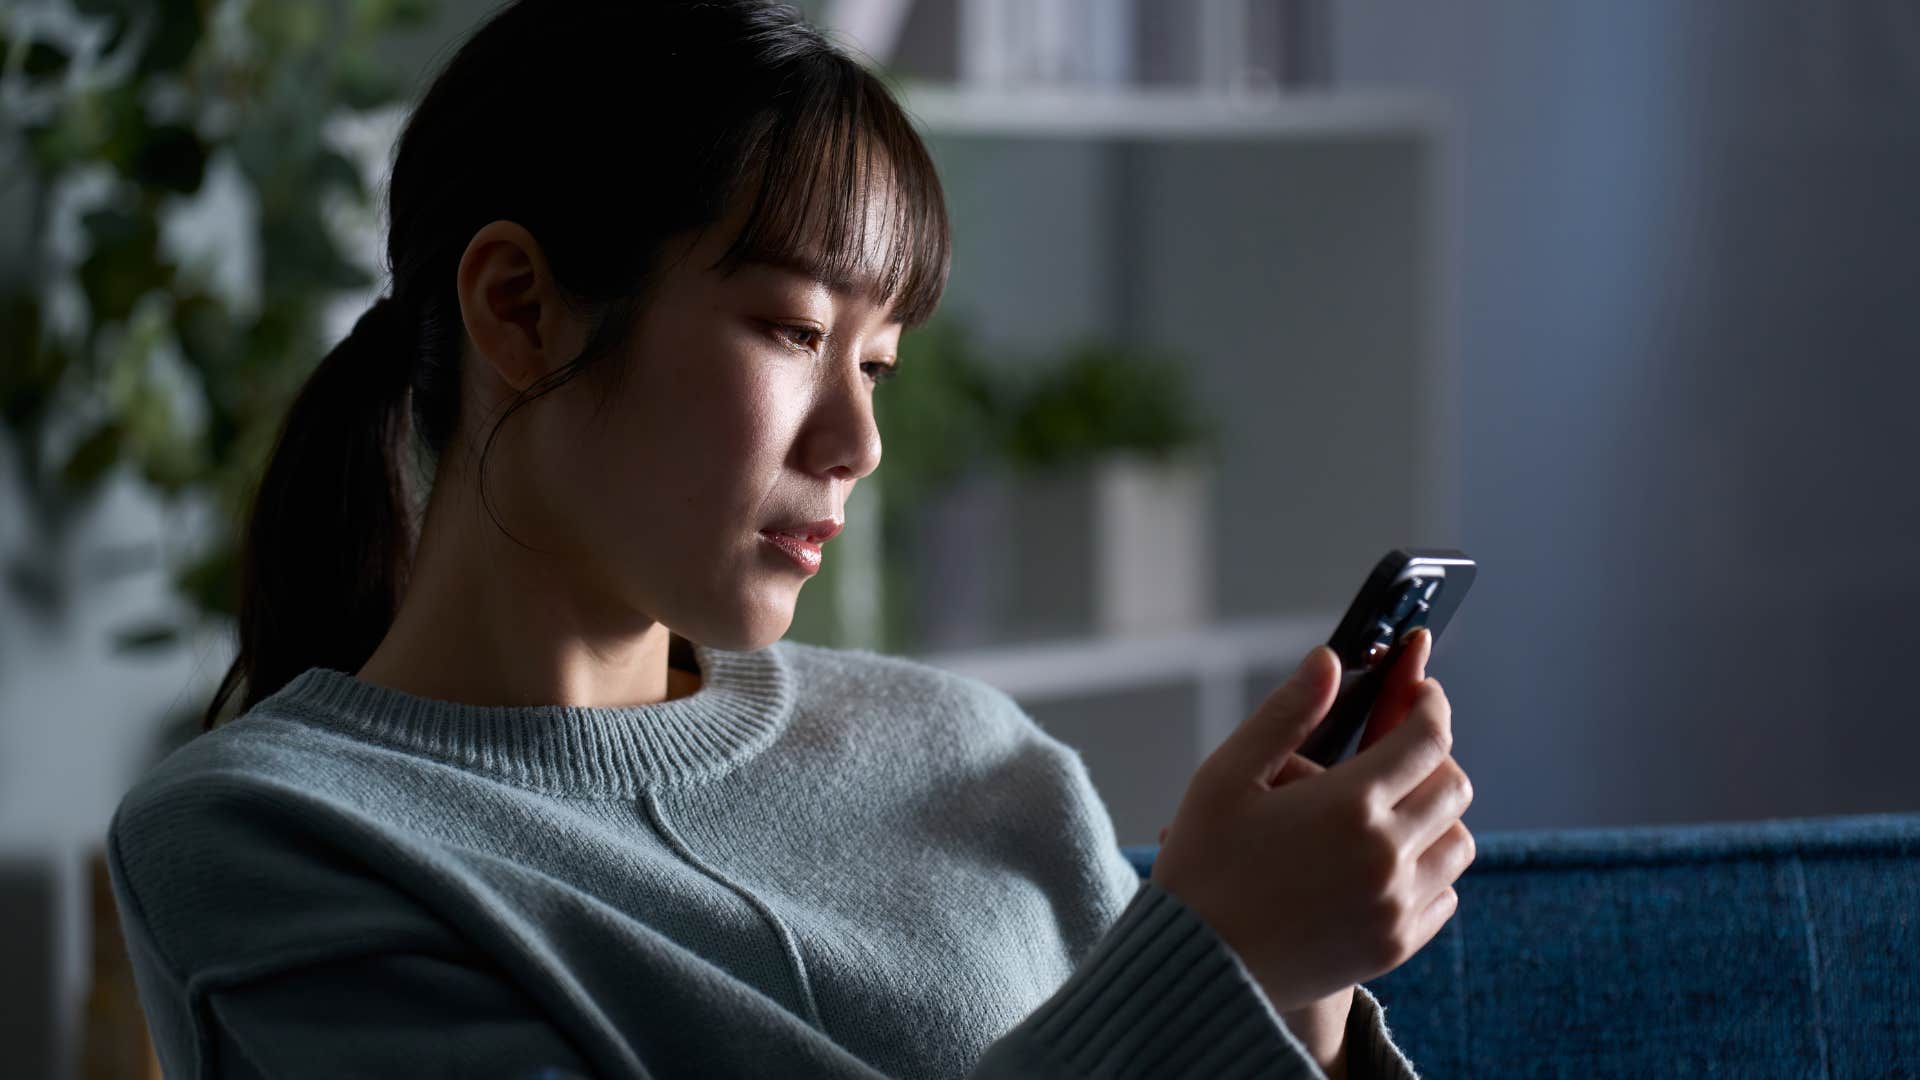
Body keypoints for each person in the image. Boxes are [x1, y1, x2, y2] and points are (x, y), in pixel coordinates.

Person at [105, 2, 1474, 1077]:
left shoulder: (975, 756)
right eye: (796, 332)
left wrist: (1291, 1007)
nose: (857, 442)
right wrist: (1204, 966)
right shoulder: (272, 838)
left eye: (876, 362)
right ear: (519, 309)